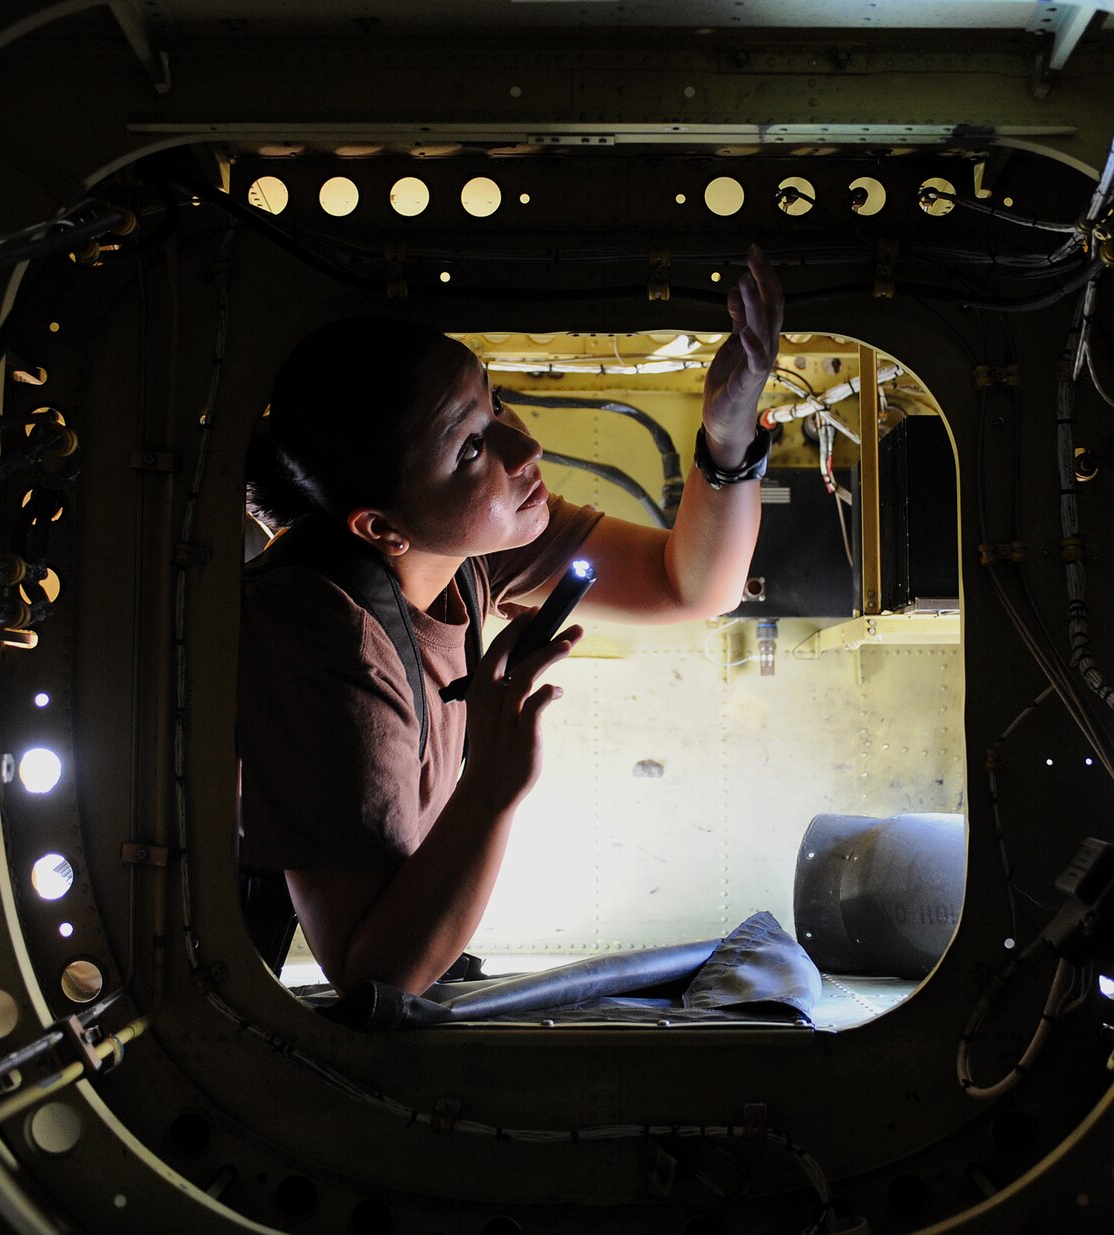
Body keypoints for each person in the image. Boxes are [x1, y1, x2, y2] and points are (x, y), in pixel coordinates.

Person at [238, 246, 786, 996]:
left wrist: (727, 437)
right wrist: (496, 776)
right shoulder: (324, 638)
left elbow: (686, 584)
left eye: (492, 402)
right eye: (470, 449)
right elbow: (375, 978)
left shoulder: (467, 548)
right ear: (381, 527)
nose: (523, 446)